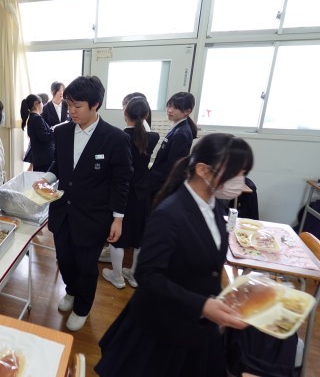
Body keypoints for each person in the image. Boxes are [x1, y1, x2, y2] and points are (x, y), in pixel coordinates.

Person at [95, 133, 253, 377]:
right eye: (236, 174)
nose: (241, 182)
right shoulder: (170, 214)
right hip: (162, 325)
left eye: (243, 173)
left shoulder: (213, 204)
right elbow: (148, 276)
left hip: (194, 323)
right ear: (203, 170)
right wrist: (202, 305)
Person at [34, 76, 132, 331]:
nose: (71, 111)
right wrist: (45, 179)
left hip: (93, 217)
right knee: (65, 260)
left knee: (86, 266)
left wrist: (118, 218)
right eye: (69, 105)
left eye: (77, 106)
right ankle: (71, 290)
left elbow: (121, 182)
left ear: (95, 104)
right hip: (62, 211)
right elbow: (59, 164)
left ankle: (83, 306)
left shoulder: (115, 138)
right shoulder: (63, 132)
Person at [102, 97, 160, 289]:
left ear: (125, 113)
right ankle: (134, 275)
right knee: (139, 235)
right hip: (142, 193)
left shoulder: (119, 136)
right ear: (146, 115)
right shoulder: (153, 137)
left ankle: (117, 276)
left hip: (122, 191)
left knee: (117, 236)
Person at [148, 91, 198, 200]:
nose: (170, 110)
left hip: (162, 184)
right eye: (169, 106)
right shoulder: (177, 128)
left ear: (187, 111)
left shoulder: (181, 133)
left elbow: (173, 166)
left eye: (175, 108)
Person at [20, 94, 54, 173]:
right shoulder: (36, 118)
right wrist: (55, 131)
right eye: (42, 103)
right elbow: (43, 137)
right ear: (36, 104)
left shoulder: (33, 118)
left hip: (40, 159)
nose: (43, 105)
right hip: (44, 159)